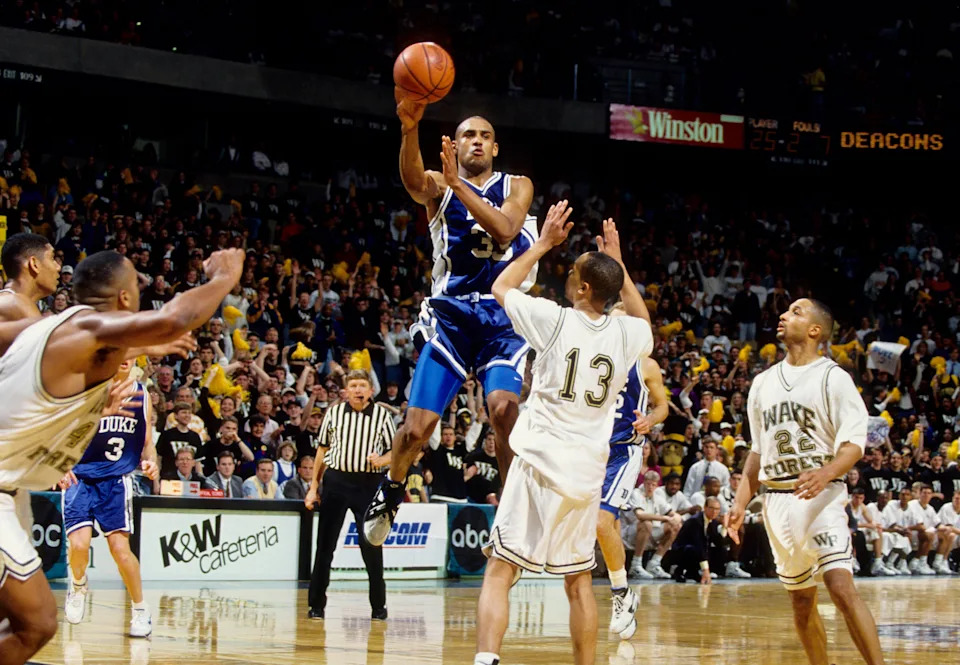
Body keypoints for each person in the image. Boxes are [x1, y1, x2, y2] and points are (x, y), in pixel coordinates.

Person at [0, 246, 242, 665]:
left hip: (12, 488)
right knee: (37, 624)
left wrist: (112, 390)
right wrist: (223, 279)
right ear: (126, 299)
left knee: (18, 618)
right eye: (137, 286)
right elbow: (173, 318)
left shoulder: (57, 333)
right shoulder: (86, 327)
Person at [474, 206, 652, 665]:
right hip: (585, 474)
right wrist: (621, 267)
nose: (568, 278)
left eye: (573, 273)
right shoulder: (628, 336)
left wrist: (543, 243)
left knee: (499, 569)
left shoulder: (554, 319)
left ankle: (485, 660)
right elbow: (644, 320)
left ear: (584, 288)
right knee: (577, 582)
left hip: (539, 464)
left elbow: (501, 286)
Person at [364, 94, 539, 547]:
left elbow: (505, 228)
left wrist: (459, 187)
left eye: (484, 136)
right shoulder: (439, 188)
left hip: (502, 318)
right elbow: (411, 181)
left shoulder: (518, 185)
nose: (476, 142)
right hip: (453, 317)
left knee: (504, 410)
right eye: (467, 136)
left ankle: (511, 517)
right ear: (455, 146)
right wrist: (408, 129)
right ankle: (392, 489)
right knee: (418, 429)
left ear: (495, 148)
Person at [729, 298, 885, 665]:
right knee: (801, 600)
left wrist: (826, 472)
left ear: (816, 330)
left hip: (822, 496)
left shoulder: (833, 377)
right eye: (785, 311)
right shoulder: (762, 383)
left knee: (841, 586)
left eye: (796, 312)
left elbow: (853, 446)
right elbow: (756, 452)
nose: (784, 315)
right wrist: (738, 503)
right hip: (776, 500)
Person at [59, 359, 158, 638]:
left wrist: (152, 463)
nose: (124, 357)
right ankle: (78, 585)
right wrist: (61, 464)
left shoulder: (142, 393)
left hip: (116, 480)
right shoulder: (87, 389)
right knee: (78, 545)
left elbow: (147, 444)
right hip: (81, 477)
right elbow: (63, 432)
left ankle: (140, 609)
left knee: (120, 550)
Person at [305, 370, 396, 620]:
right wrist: (313, 487)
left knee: (371, 546)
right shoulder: (333, 413)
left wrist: (382, 459)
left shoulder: (382, 416)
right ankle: (316, 605)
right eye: (353, 385)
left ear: (370, 390)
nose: (357, 390)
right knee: (325, 546)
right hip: (335, 481)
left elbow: (395, 452)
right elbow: (322, 451)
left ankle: (378, 606)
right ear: (346, 390)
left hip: (368, 484)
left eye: (362, 385)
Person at [596, 345, 667, 637]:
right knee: (607, 525)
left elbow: (662, 405)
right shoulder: (592, 354)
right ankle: (623, 594)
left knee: (600, 521)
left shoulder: (645, 365)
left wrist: (649, 420)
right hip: (591, 448)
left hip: (624, 450)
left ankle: (621, 593)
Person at [0, 232, 61, 321]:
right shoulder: (16, 304)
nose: (58, 267)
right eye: (52, 258)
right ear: (34, 264)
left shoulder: (13, 302)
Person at [664, 496, 726, 583]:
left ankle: (695, 572)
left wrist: (724, 526)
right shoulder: (696, 521)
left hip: (697, 549)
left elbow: (719, 542)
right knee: (694, 549)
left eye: (717, 509)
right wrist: (705, 570)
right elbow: (699, 543)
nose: (714, 511)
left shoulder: (713, 522)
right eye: (711, 508)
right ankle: (681, 570)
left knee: (721, 550)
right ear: (705, 508)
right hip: (681, 551)